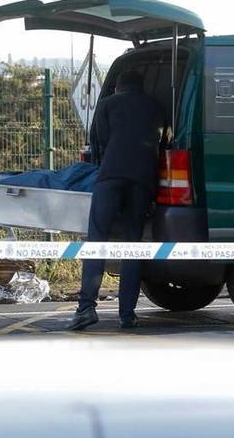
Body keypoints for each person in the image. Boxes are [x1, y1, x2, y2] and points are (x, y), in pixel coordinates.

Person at [68, 70, 166, 330]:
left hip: (111, 177)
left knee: (97, 241)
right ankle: (127, 314)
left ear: (116, 88)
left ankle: (86, 307)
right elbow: (163, 140)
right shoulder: (155, 106)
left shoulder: (107, 105)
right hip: (143, 181)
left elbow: (98, 144)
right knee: (132, 245)